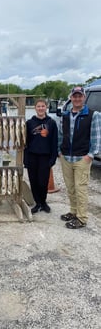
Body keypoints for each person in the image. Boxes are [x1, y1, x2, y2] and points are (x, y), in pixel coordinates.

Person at [58, 86, 101, 229]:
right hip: (66, 157)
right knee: (70, 188)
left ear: (83, 97)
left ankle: (81, 218)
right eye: (74, 96)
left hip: (82, 158)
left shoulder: (93, 115)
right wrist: (60, 151)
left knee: (80, 188)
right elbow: (60, 135)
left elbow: (96, 137)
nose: (77, 99)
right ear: (70, 97)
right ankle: (73, 211)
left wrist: (90, 155)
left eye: (79, 96)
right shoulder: (64, 115)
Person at [24, 99, 58, 214]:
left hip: (45, 156)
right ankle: (37, 203)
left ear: (46, 107)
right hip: (32, 156)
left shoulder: (51, 123)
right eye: (38, 106)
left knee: (43, 182)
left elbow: (54, 142)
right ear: (35, 108)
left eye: (43, 106)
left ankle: (43, 202)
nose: (41, 108)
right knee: (33, 181)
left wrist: (53, 158)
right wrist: (25, 159)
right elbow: (25, 142)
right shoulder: (29, 123)